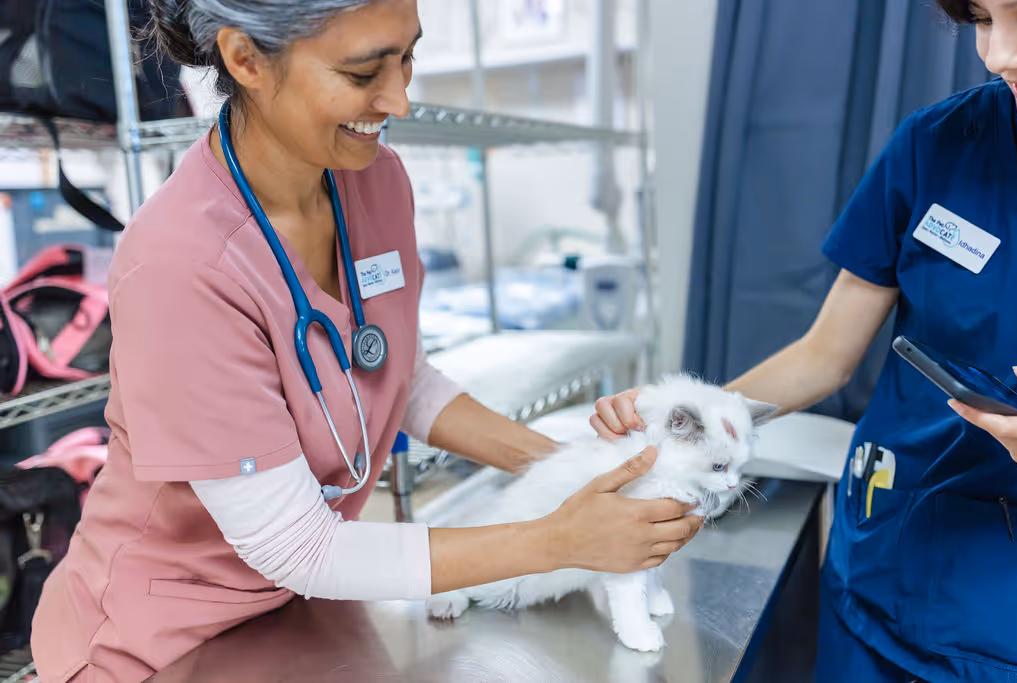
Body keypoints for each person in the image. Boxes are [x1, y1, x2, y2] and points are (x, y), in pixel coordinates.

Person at [30, 1, 703, 681]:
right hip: (154, 645)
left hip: (287, 614)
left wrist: (570, 467)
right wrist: (556, 540)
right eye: (362, 73)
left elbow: (393, 373)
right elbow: (299, 546)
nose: (400, 100)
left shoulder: (373, 178)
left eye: (407, 57)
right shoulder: (180, 264)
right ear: (244, 60)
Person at [592, 1, 1017, 681]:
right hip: (883, 558)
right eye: (981, 19)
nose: (1001, 55)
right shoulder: (936, 145)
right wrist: (696, 420)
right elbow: (826, 353)